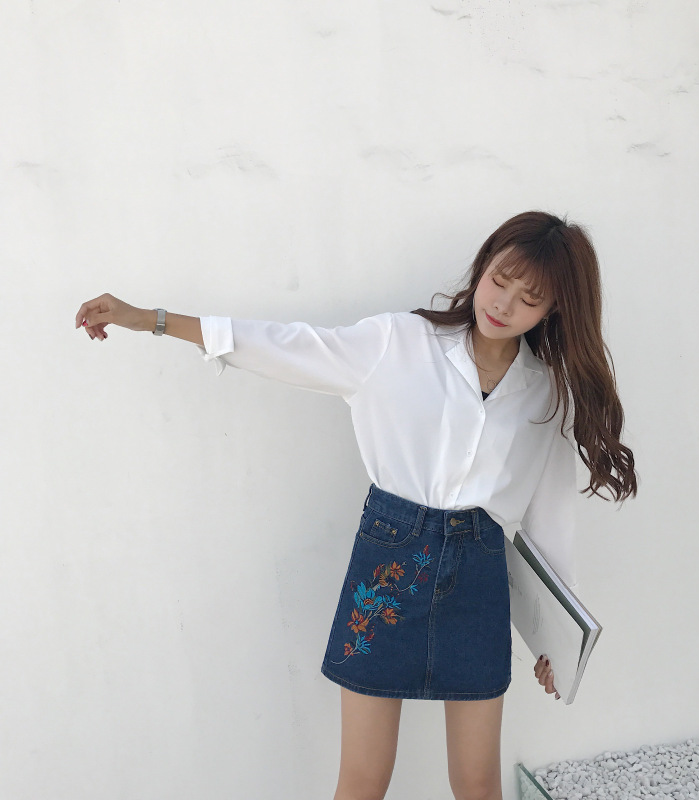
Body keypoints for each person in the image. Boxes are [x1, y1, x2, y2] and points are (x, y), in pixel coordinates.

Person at [75, 210, 637, 800]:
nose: (503, 303)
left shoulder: (545, 393)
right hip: (388, 565)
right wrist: (153, 319)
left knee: (477, 785)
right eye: (499, 279)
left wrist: (557, 642)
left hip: (479, 581)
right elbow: (284, 346)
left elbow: (549, 520)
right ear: (484, 265)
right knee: (364, 780)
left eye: (530, 298)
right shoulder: (398, 342)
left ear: (554, 310)